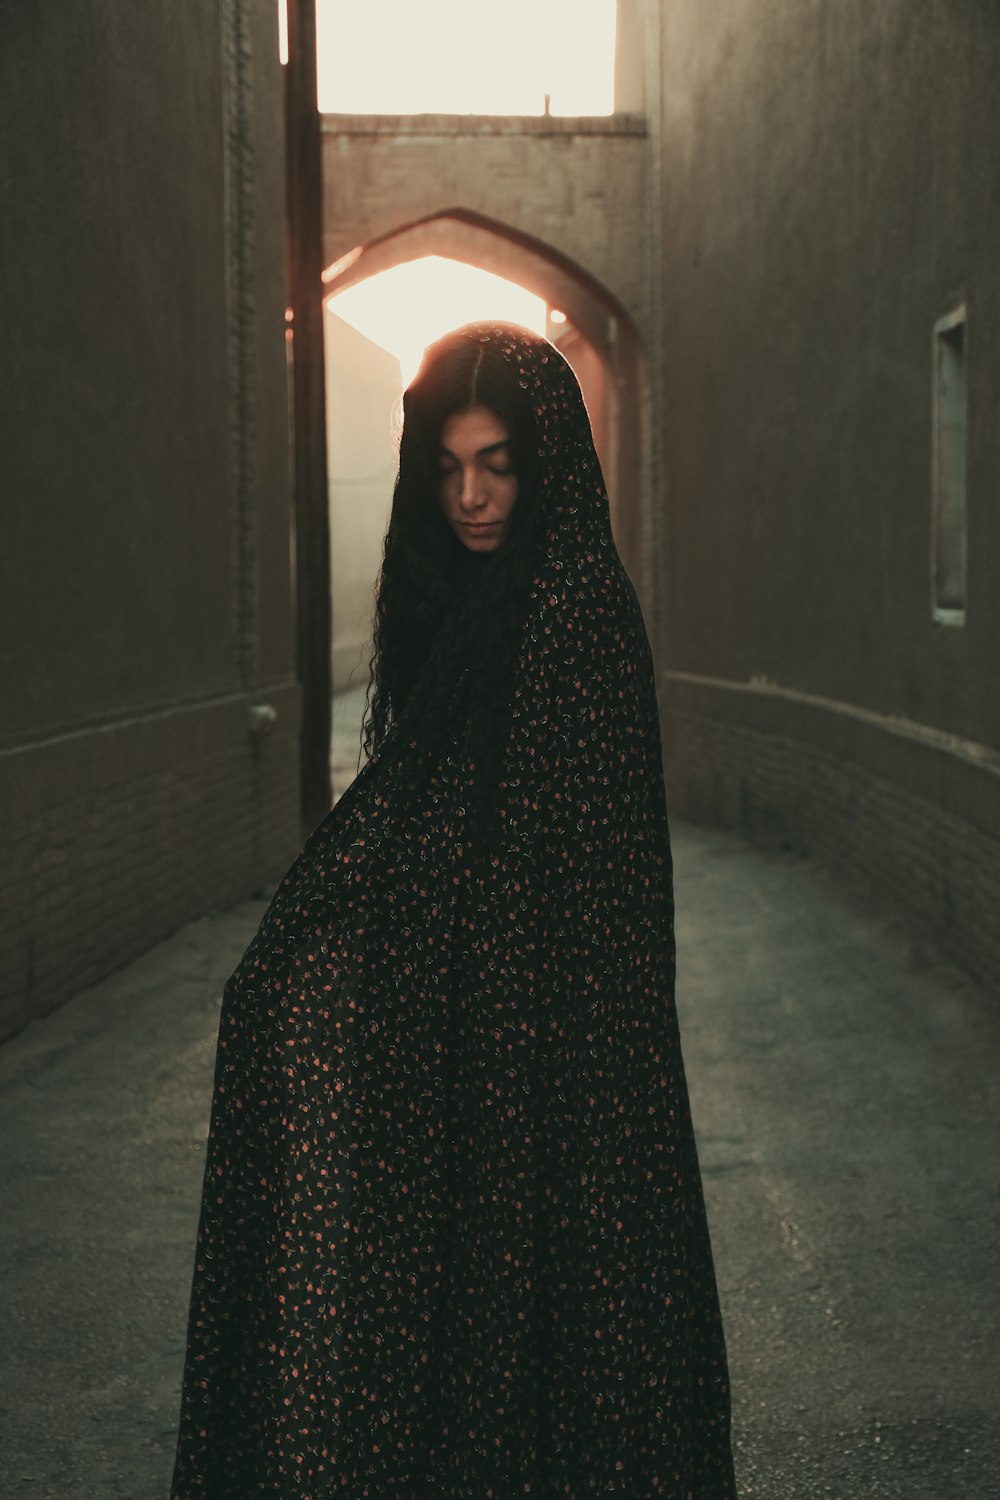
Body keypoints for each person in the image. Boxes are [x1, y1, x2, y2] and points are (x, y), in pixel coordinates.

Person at [169, 322, 738, 1497]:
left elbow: (579, 869)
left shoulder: (573, 610)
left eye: (498, 465)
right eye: (449, 466)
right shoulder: (468, 603)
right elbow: (422, 822)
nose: (473, 496)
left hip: (572, 1053)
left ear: (545, 468)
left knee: (565, 1347)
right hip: (482, 1029)